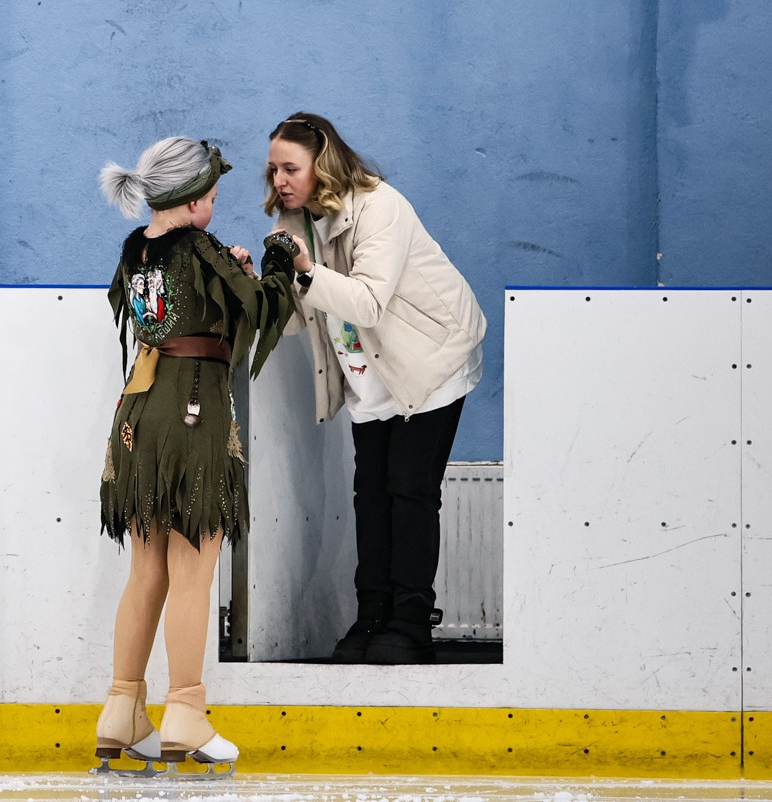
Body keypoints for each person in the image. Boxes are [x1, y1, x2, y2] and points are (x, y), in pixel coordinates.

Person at [94, 136, 294, 775]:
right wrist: (277, 259)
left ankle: (123, 709)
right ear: (191, 197)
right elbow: (261, 308)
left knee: (146, 570)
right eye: (211, 193)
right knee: (193, 571)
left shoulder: (136, 250)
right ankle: (185, 710)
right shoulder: (200, 247)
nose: (214, 202)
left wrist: (220, 275)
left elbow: (161, 312)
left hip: (137, 414)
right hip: (193, 414)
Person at [264, 113, 487, 665]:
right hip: (369, 370)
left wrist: (303, 269)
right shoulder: (297, 222)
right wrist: (258, 282)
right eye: (272, 170)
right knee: (371, 496)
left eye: (290, 168)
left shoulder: (380, 206)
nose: (279, 181)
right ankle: (372, 616)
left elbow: (365, 301)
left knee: (409, 490)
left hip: (427, 362)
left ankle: (411, 622)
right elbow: (295, 319)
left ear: (323, 164)